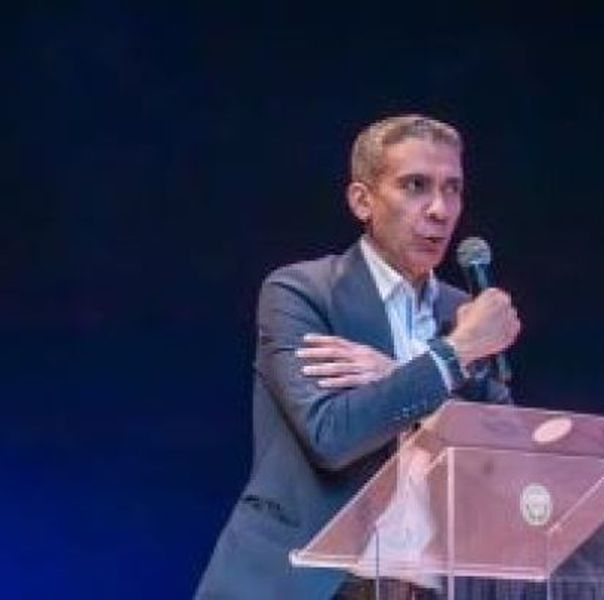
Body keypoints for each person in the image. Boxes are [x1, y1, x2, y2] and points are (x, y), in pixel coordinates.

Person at [196, 115, 521, 599]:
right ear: (362, 200)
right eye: (416, 185)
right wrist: (453, 354)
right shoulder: (302, 292)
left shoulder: (464, 313)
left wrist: (398, 375)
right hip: (314, 585)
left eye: (452, 189)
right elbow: (333, 436)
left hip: (426, 589)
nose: (440, 209)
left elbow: (505, 465)